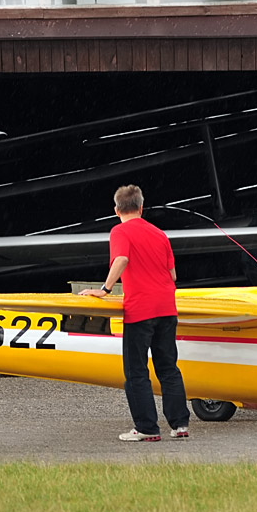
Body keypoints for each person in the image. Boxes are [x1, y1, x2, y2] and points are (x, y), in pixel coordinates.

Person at [80, 185, 189, 442]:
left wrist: (104, 290)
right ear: (142, 207)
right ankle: (180, 424)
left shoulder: (119, 230)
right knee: (168, 367)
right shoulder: (159, 233)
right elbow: (172, 275)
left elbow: (121, 259)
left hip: (140, 310)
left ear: (116, 210)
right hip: (166, 308)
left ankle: (147, 428)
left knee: (136, 371)